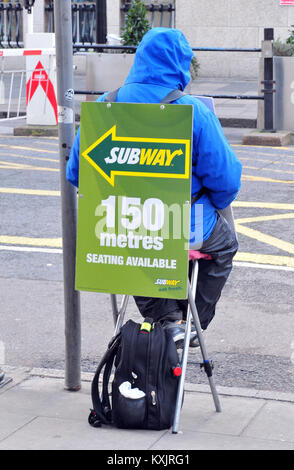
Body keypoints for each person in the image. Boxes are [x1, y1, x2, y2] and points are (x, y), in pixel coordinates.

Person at [66, 27, 242, 347]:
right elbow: (227, 182)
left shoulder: (106, 106)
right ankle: (189, 324)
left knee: (137, 248)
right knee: (224, 245)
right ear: (180, 65)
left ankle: (165, 317)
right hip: (181, 229)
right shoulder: (193, 111)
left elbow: (77, 173)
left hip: (120, 229)